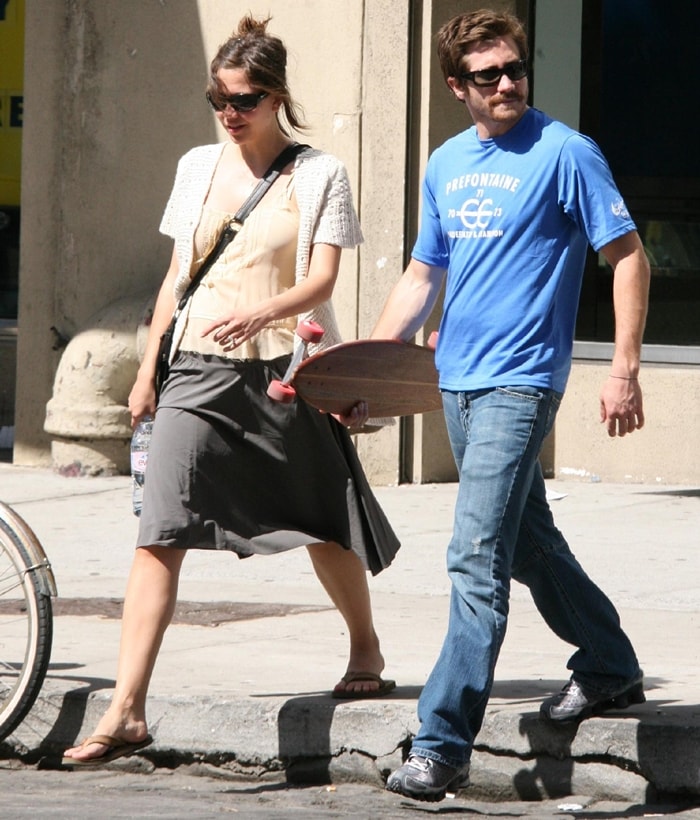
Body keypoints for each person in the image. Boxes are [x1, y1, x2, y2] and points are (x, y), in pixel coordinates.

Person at [63, 14, 399, 768]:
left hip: (283, 371)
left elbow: (320, 278)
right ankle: (127, 708)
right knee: (160, 531)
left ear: (276, 96)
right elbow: (177, 278)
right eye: (218, 97)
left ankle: (366, 649)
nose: (229, 112)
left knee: (321, 517)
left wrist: (268, 311)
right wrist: (149, 369)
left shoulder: (318, 174)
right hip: (197, 370)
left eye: (243, 98)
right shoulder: (196, 167)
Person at [372, 9, 650, 803]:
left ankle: (441, 743)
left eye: (515, 69)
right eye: (488, 75)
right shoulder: (447, 162)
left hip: (523, 380)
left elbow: (626, 255)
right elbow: (424, 275)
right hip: (455, 378)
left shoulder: (565, 152)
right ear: (456, 86)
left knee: (474, 553)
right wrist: (368, 372)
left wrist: (623, 367)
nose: (507, 84)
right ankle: (609, 663)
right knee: (526, 545)